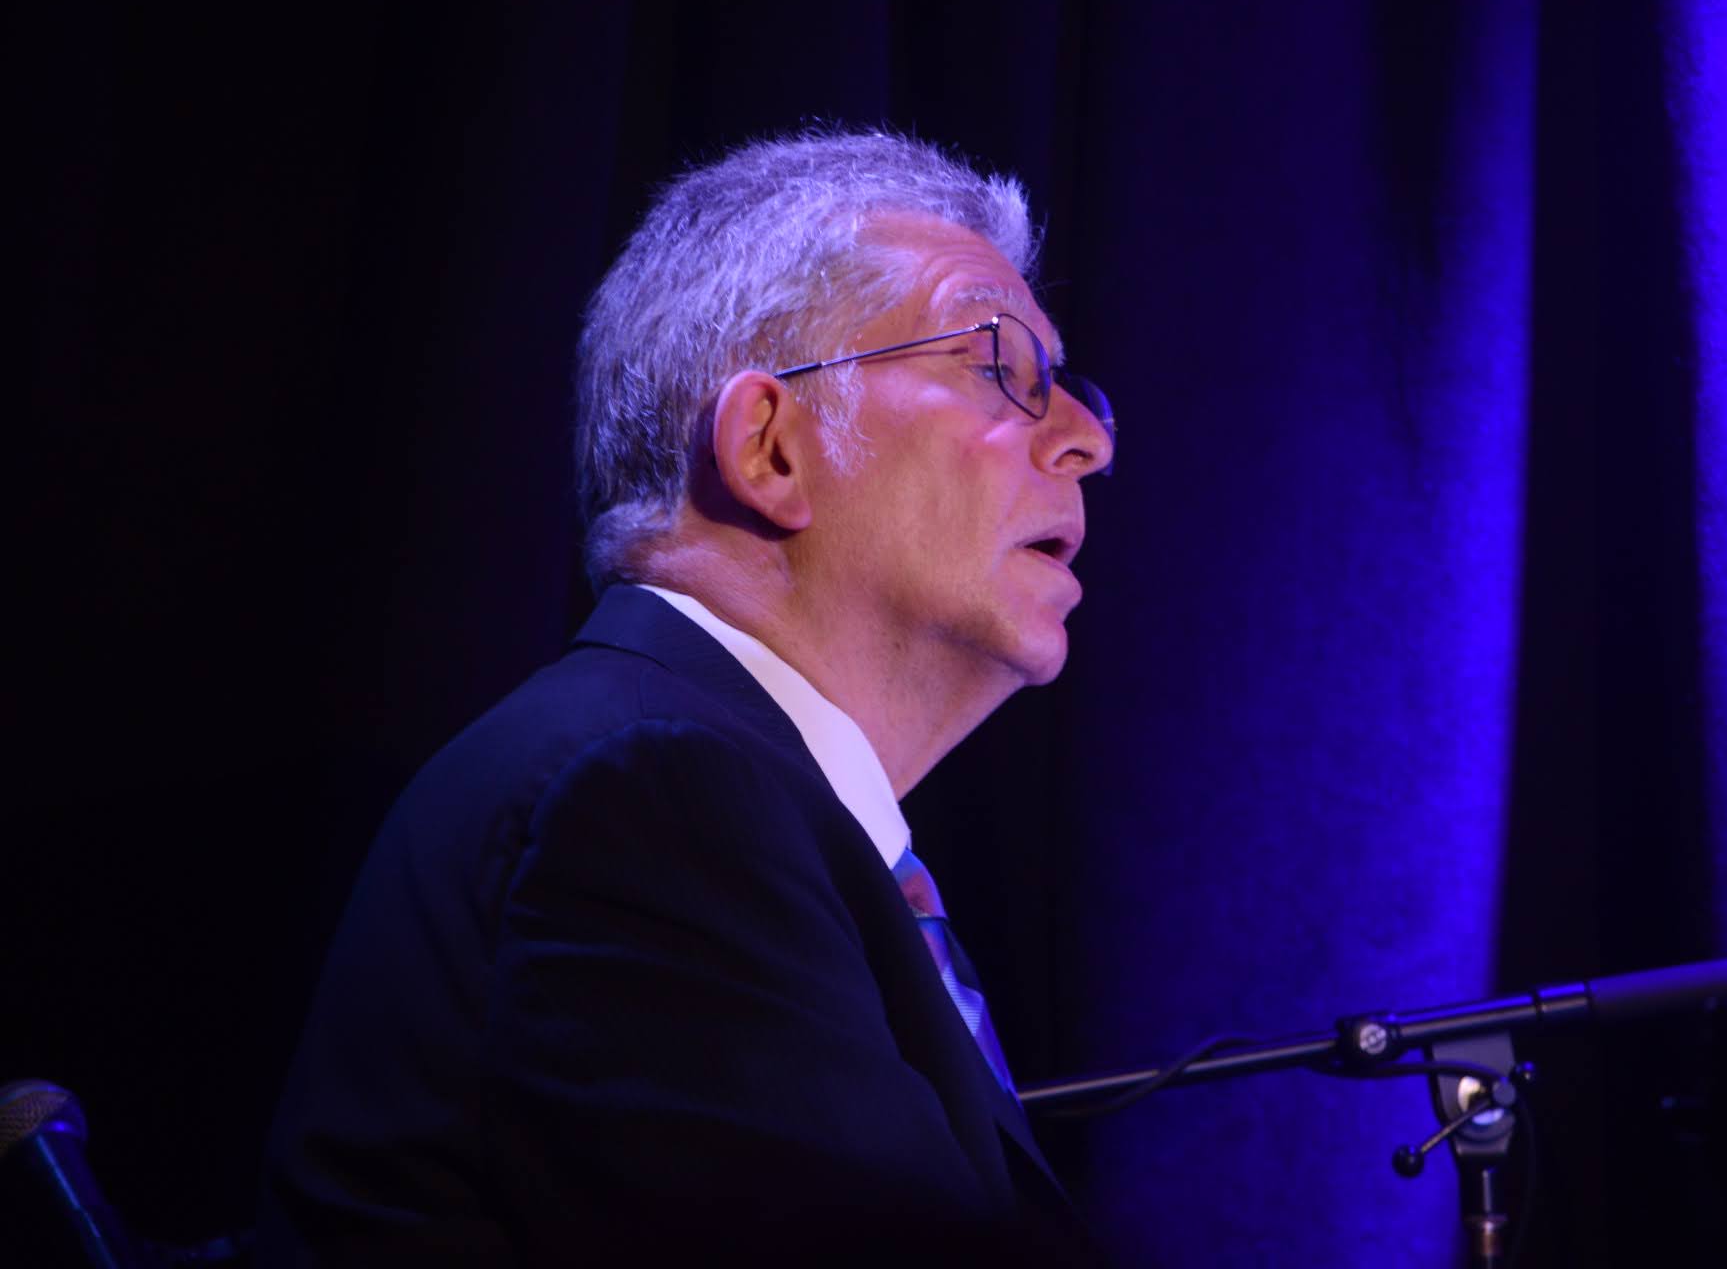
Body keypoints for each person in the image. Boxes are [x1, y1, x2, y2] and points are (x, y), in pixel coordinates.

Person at [259, 129, 1115, 1265]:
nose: (1086, 441)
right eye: (999, 365)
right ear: (769, 448)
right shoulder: (649, 800)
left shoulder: (715, 796)